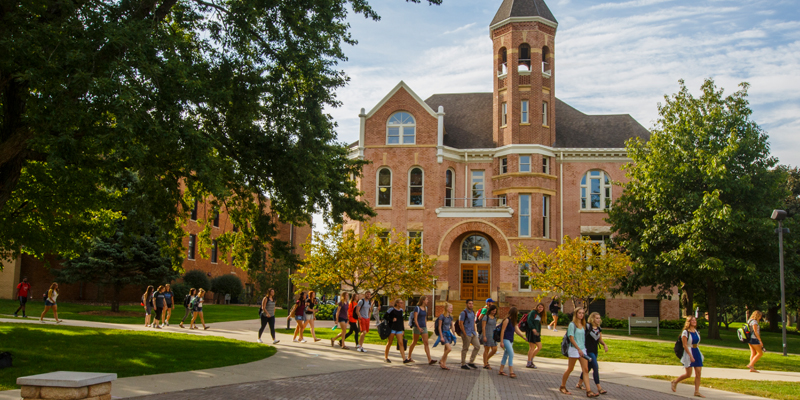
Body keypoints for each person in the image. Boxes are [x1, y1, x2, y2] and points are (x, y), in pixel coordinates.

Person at [558, 307, 597, 397]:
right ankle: (562, 386)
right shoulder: (572, 325)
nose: (581, 315)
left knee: (585, 370)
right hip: (574, 349)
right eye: (579, 313)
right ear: (576, 314)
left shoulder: (583, 324)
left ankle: (589, 391)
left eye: (583, 313)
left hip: (582, 349)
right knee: (570, 369)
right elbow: (571, 338)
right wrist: (578, 349)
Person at [671, 316, 704, 398]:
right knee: (688, 374)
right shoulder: (685, 332)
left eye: (695, 320)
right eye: (692, 320)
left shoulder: (696, 331)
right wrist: (690, 356)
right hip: (689, 352)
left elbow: (697, 342)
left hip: (696, 351)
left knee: (698, 373)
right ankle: (675, 382)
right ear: (689, 322)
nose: (694, 321)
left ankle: (696, 391)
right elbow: (685, 345)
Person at [578, 312, 609, 395]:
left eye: (599, 318)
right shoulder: (588, 326)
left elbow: (600, 339)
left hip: (595, 351)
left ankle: (579, 383)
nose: (598, 320)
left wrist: (604, 345)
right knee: (595, 366)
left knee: (588, 367)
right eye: (597, 318)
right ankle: (599, 388)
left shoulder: (599, 329)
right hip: (588, 351)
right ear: (592, 318)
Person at [498, 306, 527, 378]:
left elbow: (517, 331)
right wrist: (501, 341)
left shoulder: (513, 321)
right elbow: (502, 330)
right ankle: (511, 371)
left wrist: (523, 337)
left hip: (511, 340)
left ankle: (501, 370)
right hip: (506, 339)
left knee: (506, 355)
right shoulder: (506, 320)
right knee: (511, 354)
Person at [407, 296, 437, 365]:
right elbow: (415, 319)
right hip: (417, 327)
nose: (427, 301)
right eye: (426, 300)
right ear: (423, 300)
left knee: (426, 343)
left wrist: (425, 327)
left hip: (424, 327)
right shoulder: (417, 308)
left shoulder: (426, 308)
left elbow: (425, 318)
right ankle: (409, 357)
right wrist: (418, 327)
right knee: (414, 342)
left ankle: (430, 360)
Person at [384, 298, 410, 363]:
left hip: (398, 329)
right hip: (392, 328)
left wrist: (403, 329)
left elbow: (401, 320)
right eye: (400, 303)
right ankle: (386, 357)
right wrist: (391, 319)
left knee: (401, 343)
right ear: (397, 303)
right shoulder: (391, 309)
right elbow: (385, 316)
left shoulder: (401, 310)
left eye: (402, 303)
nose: (402, 304)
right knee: (390, 342)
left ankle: (404, 358)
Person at [458, 299, 480, 370]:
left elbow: (473, 322)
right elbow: (460, 323)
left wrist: (475, 330)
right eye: (469, 303)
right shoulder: (463, 313)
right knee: (465, 348)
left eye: (472, 303)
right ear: (466, 304)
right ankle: (463, 363)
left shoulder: (472, 312)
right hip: (466, 333)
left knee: (477, 346)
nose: (471, 305)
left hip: (473, 332)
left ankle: (471, 361)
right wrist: (464, 333)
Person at [526, 303, 546, 368]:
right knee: (532, 347)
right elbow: (529, 321)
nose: (540, 308)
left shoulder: (539, 314)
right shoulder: (533, 312)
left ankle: (531, 359)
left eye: (542, 307)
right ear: (537, 307)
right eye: (539, 307)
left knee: (539, 346)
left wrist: (539, 333)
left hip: (536, 333)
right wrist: (533, 328)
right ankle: (529, 363)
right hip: (531, 332)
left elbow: (539, 325)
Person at [437, 303, 456, 370]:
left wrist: (454, 334)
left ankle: (443, 364)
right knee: (449, 349)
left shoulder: (450, 317)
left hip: (448, 334)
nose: (452, 309)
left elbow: (452, 326)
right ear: (447, 308)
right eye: (451, 308)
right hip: (443, 334)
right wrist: (441, 337)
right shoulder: (442, 316)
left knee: (446, 350)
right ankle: (441, 360)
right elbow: (439, 327)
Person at [480, 304, 499, 369]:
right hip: (487, 334)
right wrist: (484, 336)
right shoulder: (486, 317)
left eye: (495, 311)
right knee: (486, 349)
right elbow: (483, 327)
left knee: (494, 349)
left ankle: (486, 359)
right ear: (490, 310)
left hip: (493, 335)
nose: (494, 312)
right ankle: (485, 364)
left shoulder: (495, 318)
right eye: (493, 311)